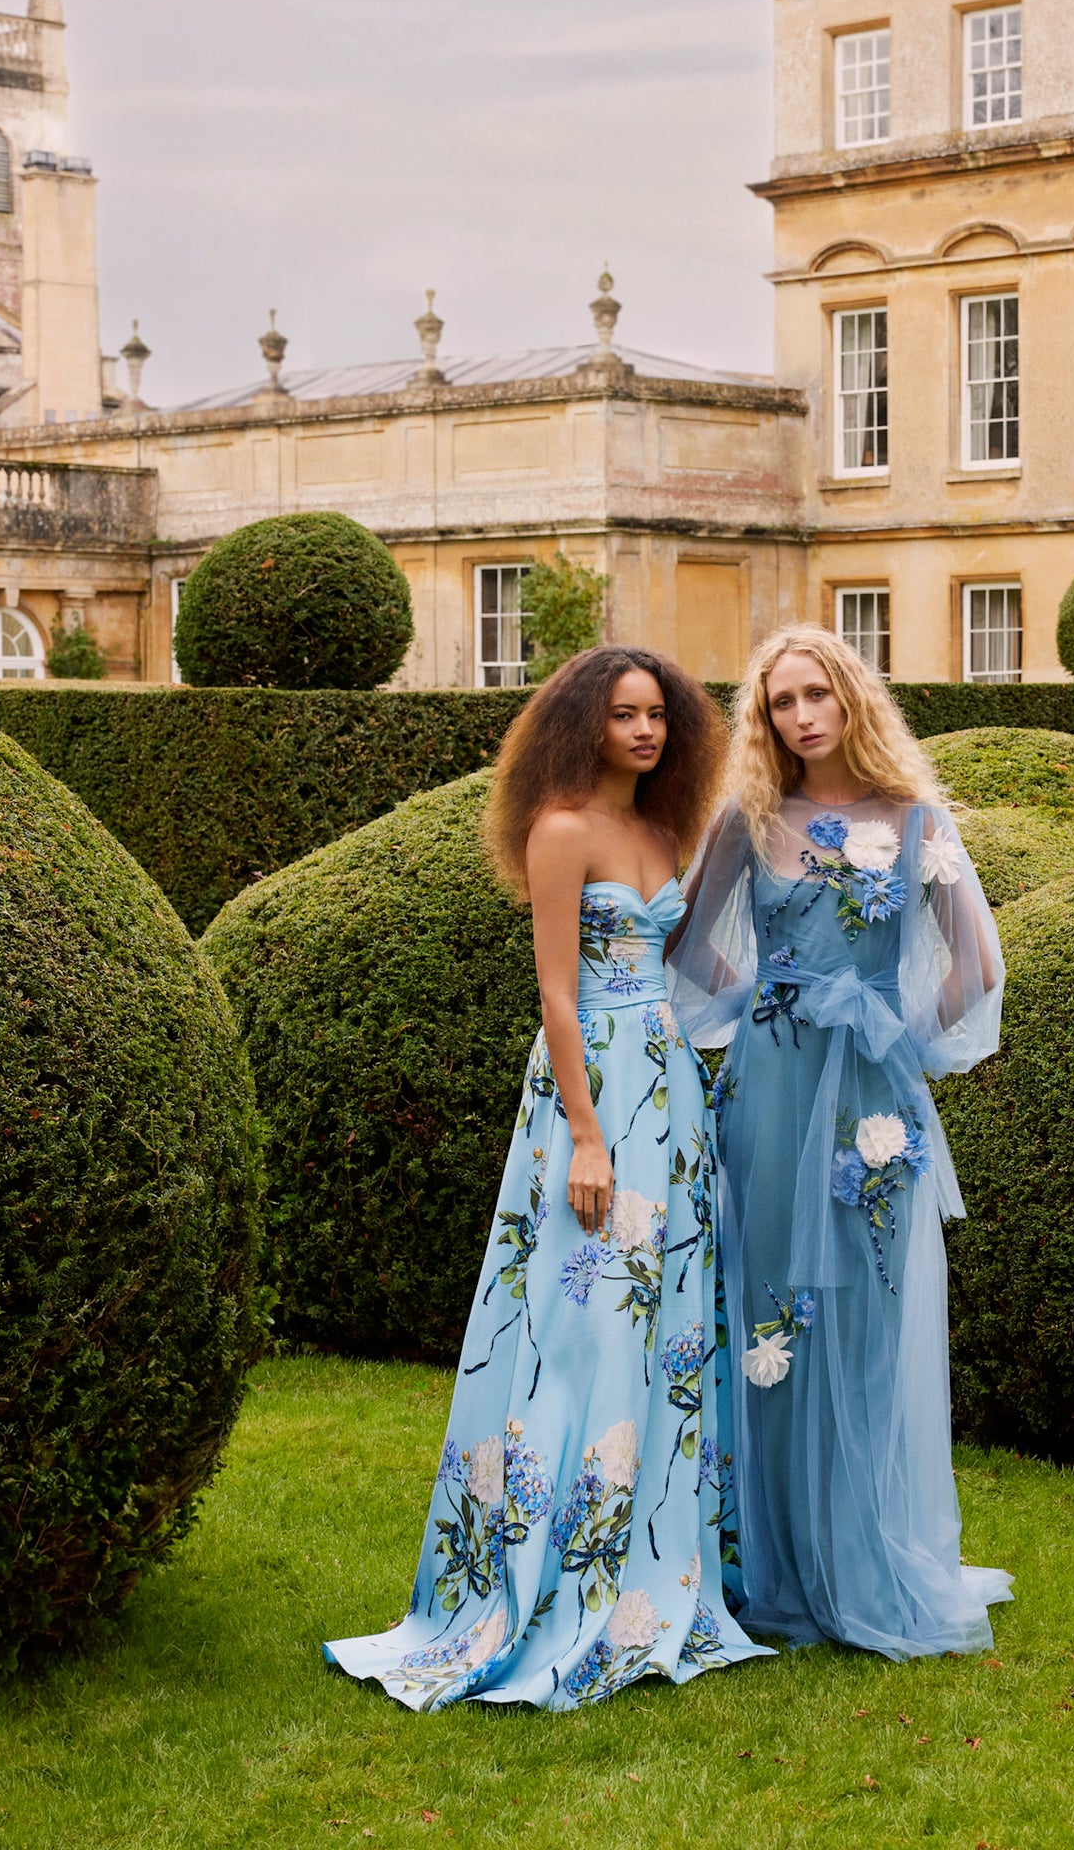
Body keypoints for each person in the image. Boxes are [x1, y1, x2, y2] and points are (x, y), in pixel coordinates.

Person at [324, 646, 771, 1710]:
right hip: (593, 1090)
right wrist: (582, 1132)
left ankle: (649, 1576)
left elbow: (704, 963)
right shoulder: (560, 829)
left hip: (668, 1088)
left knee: (664, 1326)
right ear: (583, 724)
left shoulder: (668, 829)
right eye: (623, 716)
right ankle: (544, 1580)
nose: (645, 731)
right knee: (580, 1327)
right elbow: (558, 996)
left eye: (658, 715)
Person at [668, 625, 1013, 1659]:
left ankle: (863, 1553)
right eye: (780, 702)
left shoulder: (912, 820)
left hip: (868, 1098)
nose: (801, 715)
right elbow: (686, 943)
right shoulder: (748, 816)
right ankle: (771, 1564)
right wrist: (772, 1001)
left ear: (851, 699)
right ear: (763, 717)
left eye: (816, 693)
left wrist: (893, 1033)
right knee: (769, 1311)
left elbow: (978, 961)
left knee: (864, 1309)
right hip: (770, 1089)